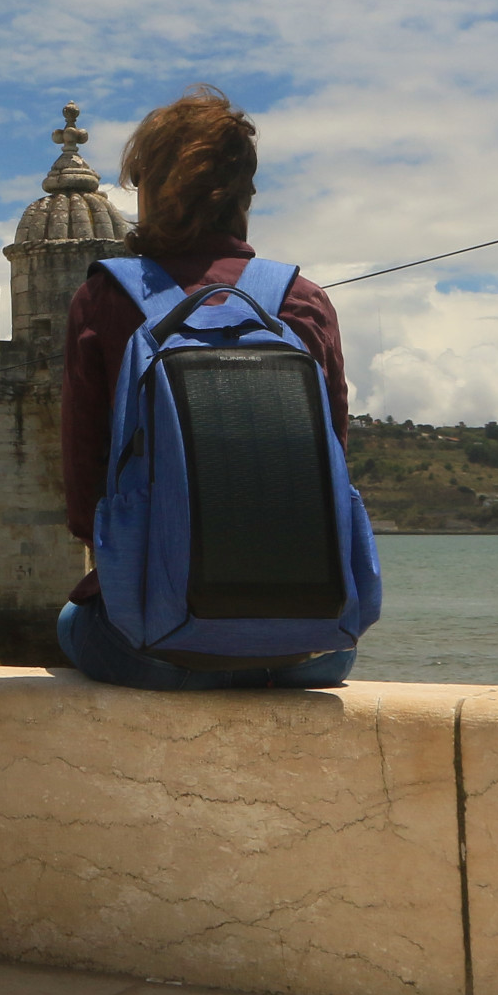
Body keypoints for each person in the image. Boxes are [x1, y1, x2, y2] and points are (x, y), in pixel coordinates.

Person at [56, 85, 356, 690]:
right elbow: (336, 459)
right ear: (245, 194)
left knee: (70, 622)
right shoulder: (302, 300)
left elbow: (86, 491)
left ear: (147, 190)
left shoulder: (105, 298)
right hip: (317, 646)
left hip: (156, 649)